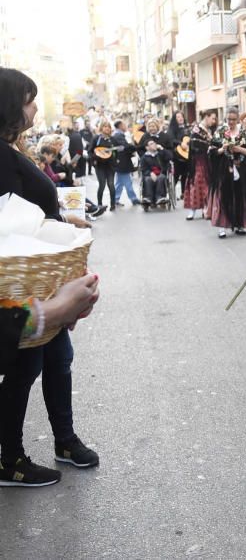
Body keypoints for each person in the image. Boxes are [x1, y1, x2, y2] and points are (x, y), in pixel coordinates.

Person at [0, 67, 101, 487]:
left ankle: (65, 440)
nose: (35, 107)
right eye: (28, 99)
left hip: (45, 277)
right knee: (26, 369)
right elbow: (9, 224)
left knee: (59, 360)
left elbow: (31, 211)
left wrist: (62, 217)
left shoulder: (12, 148)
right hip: (24, 286)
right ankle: (11, 459)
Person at [207, 109, 246, 238]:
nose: (231, 122)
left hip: (242, 170)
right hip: (224, 170)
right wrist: (222, 149)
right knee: (223, 196)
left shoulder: (244, 133)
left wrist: (239, 149)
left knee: (241, 196)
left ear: (238, 120)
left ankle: (240, 224)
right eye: (229, 119)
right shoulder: (220, 132)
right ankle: (222, 226)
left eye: (233, 119)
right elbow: (211, 152)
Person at [183, 111, 215, 220]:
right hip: (198, 161)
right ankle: (192, 210)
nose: (213, 121)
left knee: (207, 185)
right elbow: (195, 146)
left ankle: (205, 208)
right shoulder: (196, 130)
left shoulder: (209, 131)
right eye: (212, 118)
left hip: (208, 161)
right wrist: (208, 147)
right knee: (196, 183)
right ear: (206, 117)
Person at [90, 120, 117, 211]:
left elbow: (117, 151)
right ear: (101, 128)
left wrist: (115, 157)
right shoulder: (96, 138)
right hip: (100, 166)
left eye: (109, 127)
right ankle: (99, 204)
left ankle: (113, 204)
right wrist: (95, 158)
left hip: (110, 166)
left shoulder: (113, 139)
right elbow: (90, 151)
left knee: (111, 184)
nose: (107, 128)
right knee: (102, 184)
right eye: (105, 126)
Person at [111, 120, 139, 207]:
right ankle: (134, 199)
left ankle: (115, 199)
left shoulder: (118, 134)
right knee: (128, 182)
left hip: (121, 161)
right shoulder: (118, 135)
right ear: (120, 125)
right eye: (124, 124)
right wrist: (134, 147)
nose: (126, 126)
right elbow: (125, 146)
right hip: (122, 162)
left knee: (119, 183)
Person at [139, 139, 170, 207]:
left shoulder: (160, 154)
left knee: (161, 178)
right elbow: (143, 169)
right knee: (147, 179)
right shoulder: (144, 157)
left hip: (160, 173)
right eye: (151, 144)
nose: (154, 144)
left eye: (154, 143)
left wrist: (162, 149)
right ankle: (148, 198)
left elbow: (169, 157)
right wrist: (150, 173)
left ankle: (160, 197)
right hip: (149, 174)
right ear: (147, 147)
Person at [168, 111, 189, 198]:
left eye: (181, 116)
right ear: (175, 119)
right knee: (176, 174)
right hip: (177, 154)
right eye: (178, 117)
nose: (181, 118)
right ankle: (170, 191)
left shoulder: (187, 128)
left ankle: (184, 193)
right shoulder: (172, 129)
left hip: (187, 154)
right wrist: (180, 143)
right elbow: (171, 140)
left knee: (185, 174)